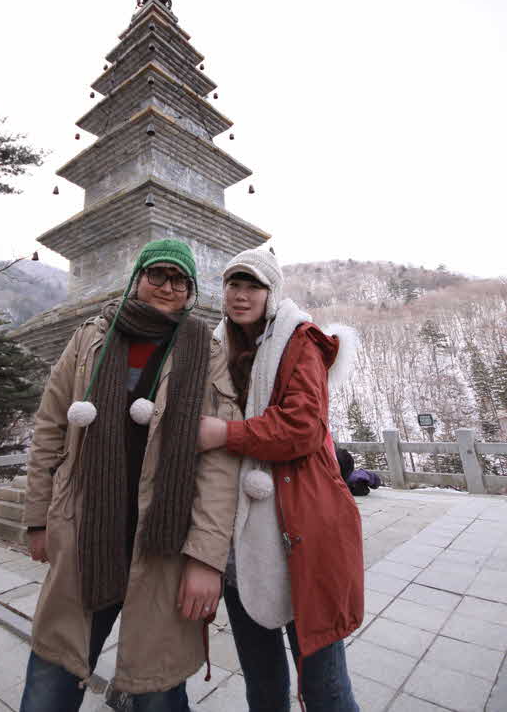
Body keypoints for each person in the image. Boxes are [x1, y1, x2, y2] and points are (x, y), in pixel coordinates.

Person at [20, 239, 241, 712]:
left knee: (157, 688)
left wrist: (206, 558)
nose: (168, 287)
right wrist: (38, 517)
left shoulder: (205, 351)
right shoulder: (90, 339)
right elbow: (50, 426)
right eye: (157, 274)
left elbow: (219, 464)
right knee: (51, 678)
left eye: (180, 280)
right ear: (137, 278)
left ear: (190, 291)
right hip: (86, 531)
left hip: (163, 541)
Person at [198, 249, 364, 712]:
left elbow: (303, 426)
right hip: (239, 532)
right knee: (262, 680)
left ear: (272, 293)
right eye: (233, 284)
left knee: (324, 684)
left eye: (253, 285)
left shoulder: (300, 341)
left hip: (301, 528)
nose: (241, 295)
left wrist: (225, 434)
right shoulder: (217, 347)